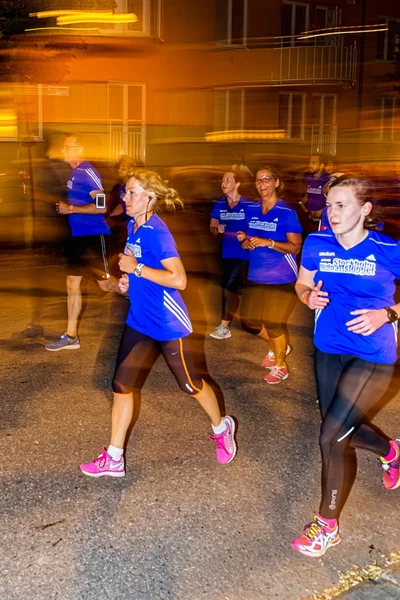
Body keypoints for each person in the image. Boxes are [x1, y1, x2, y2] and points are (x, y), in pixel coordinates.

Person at [80, 169, 237, 477]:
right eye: (125, 192)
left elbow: (179, 279)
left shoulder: (157, 232)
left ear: (150, 198)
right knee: (121, 385)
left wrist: (136, 268)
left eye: (132, 192)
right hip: (139, 318)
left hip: (167, 322)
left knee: (189, 384)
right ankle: (114, 457)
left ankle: (222, 427)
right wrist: (121, 283)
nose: (125, 198)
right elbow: (130, 267)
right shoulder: (132, 225)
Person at [292, 174, 400, 558]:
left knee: (330, 436)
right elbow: (301, 285)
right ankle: (391, 451)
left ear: (365, 209)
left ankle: (327, 525)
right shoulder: (316, 242)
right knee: (342, 432)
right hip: (328, 348)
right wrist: (308, 297)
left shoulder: (387, 249)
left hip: (372, 355)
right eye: (329, 205)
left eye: (342, 205)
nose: (332, 213)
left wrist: (387, 313)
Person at [45, 135, 111, 351]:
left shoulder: (87, 171)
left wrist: (71, 209)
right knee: (71, 284)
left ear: (80, 148)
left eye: (67, 146)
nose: (63, 149)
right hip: (78, 237)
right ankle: (71, 335)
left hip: (93, 236)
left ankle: (145, 291)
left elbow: (101, 206)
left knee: (106, 285)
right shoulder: (75, 172)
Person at [238, 166, 302, 384]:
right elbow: (249, 236)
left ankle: (281, 365)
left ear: (276, 182)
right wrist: (246, 241)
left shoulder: (287, 213)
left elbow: (295, 247)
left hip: (280, 276)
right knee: (248, 321)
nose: (262, 184)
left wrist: (270, 243)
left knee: (274, 324)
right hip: (256, 274)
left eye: (266, 179)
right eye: (258, 180)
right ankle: (279, 346)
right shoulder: (252, 209)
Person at [209, 171, 251, 339]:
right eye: (222, 179)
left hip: (244, 251)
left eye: (228, 179)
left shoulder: (249, 205)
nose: (223, 182)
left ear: (238, 183)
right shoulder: (219, 204)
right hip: (227, 252)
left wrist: (246, 236)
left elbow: (256, 226)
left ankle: (224, 326)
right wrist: (216, 229)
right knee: (232, 287)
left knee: (228, 286)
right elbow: (212, 227)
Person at [299, 153, 330, 230]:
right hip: (311, 220)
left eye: (314, 163)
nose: (310, 165)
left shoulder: (327, 180)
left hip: (323, 221)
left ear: (322, 165)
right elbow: (308, 195)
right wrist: (301, 203)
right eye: (309, 162)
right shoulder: (308, 179)